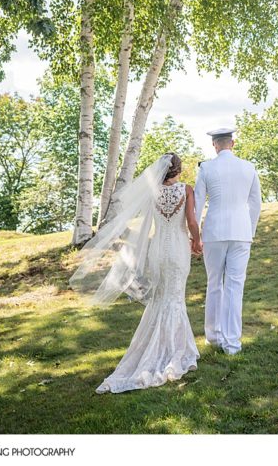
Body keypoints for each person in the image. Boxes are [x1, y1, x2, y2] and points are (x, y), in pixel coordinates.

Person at [69, 152, 203, 393]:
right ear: (179, 170)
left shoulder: (152, 192)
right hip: (178, 250)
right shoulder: (187, 190)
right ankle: (173, 354)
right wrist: (197, 241)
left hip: (157, 251)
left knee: (162, 299)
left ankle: (172, 347)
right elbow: (192, 221)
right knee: (174, 298)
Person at [194, 126, 261, 355]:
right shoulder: (249, 167)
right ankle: (232, 344)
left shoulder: (206, 168)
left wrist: (195, 235)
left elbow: (198, 203)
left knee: (214, 284)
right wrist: (249, 230)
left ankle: (213, 337)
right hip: (241, 232)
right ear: (232, 144)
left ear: (215, 145)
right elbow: (256, 204)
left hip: (214, 232)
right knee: (235, 286)